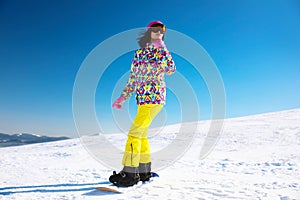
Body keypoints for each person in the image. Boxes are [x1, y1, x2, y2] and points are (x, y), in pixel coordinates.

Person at [109, 20, 176, 187]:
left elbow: (171, 69)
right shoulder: (139, 54)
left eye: (162, 31)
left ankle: (129, 174)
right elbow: (133, 79)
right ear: (149, 32)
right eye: (156, 30)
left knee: (133, 134)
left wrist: (163, 49)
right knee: (141, 135)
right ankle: (144, 171)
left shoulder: (161, 51)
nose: (159, 33)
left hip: (155, 99)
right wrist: (122, 98)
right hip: (142, 100)